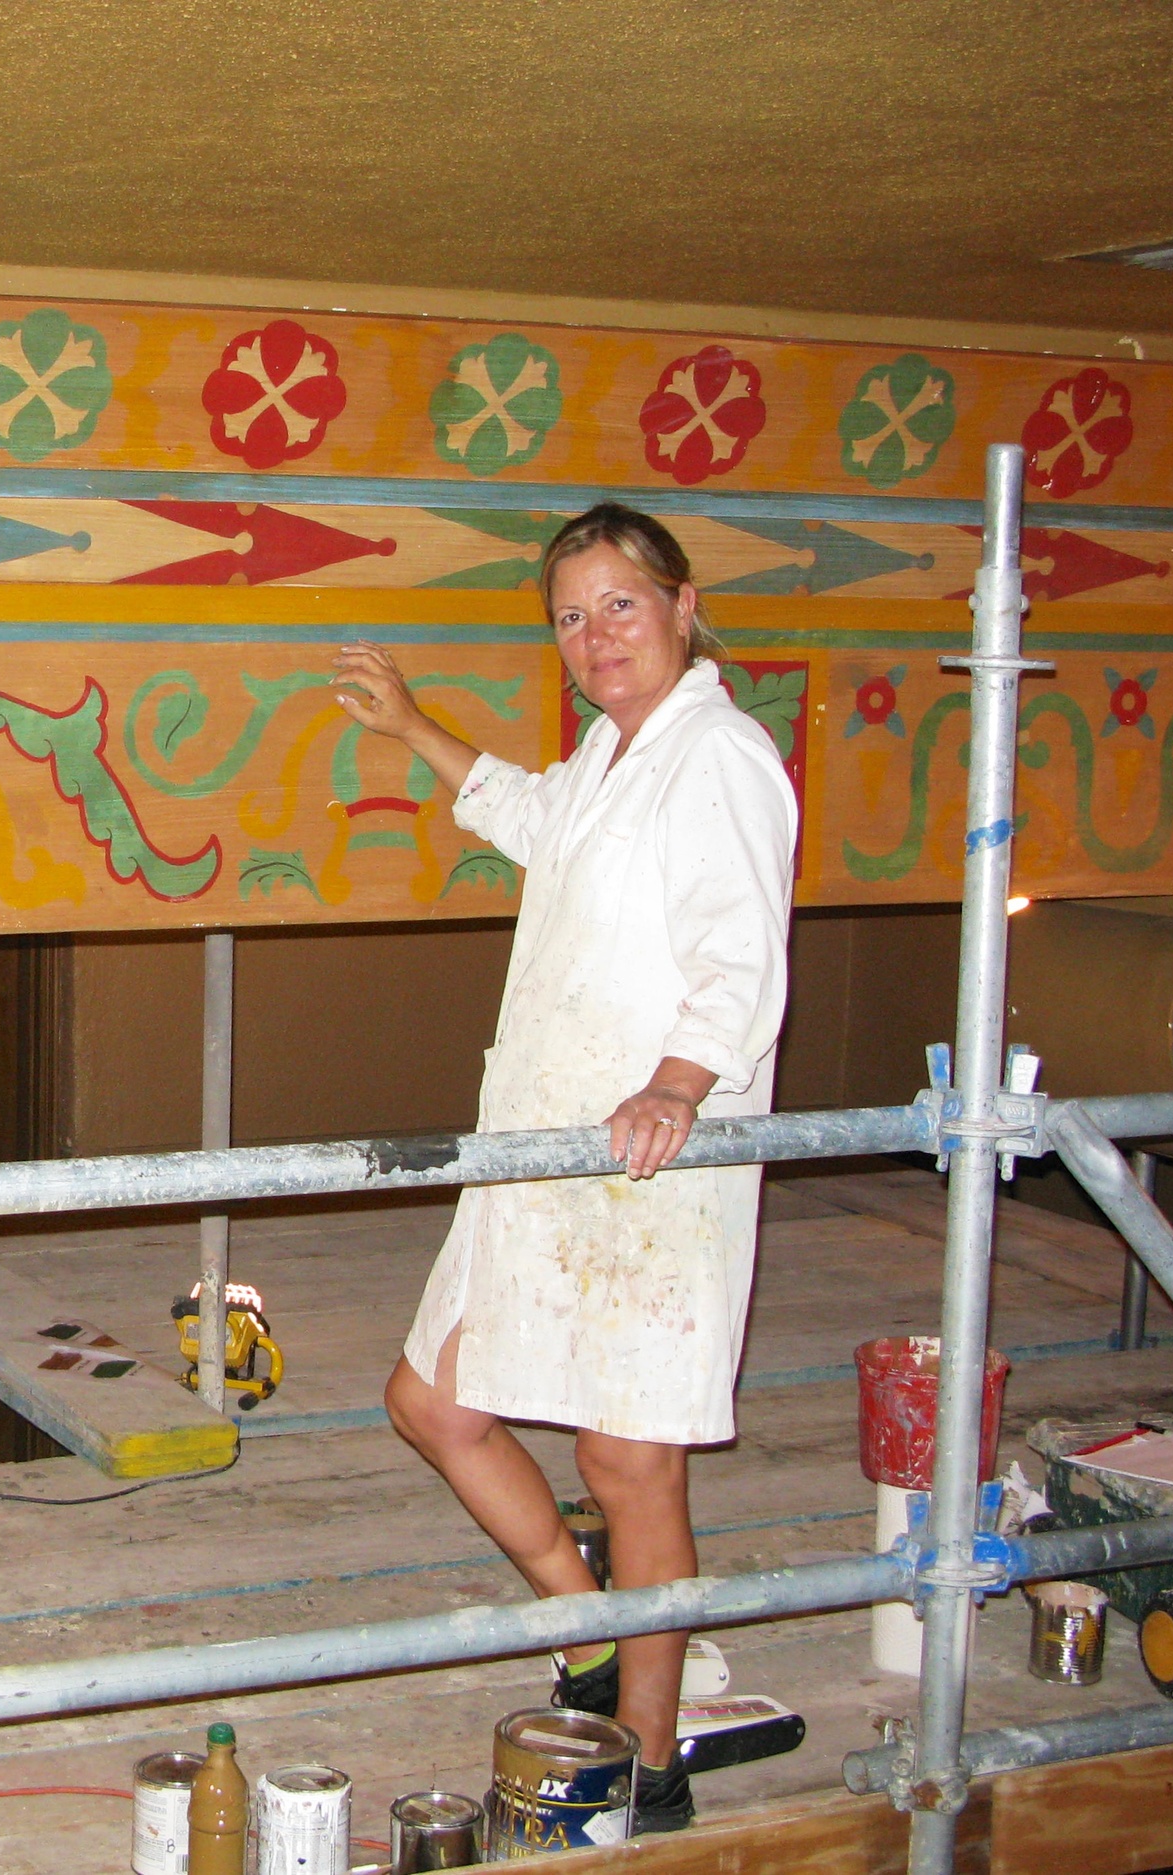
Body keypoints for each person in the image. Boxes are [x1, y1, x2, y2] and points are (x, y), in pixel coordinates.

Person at [330, 502, 795, 1834]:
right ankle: (588, 1632)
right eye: (571, 618)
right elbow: (538, 818)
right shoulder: (613, 750)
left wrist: (676, 1082)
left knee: (629, 1462)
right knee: (436, 1402)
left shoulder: (722, 758)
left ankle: (647, 1761)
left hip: (656, 1158)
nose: (595, 638)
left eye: (620, 607)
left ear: (682, 606)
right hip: (545, 1151)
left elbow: (742, 955)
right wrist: (412, 726)